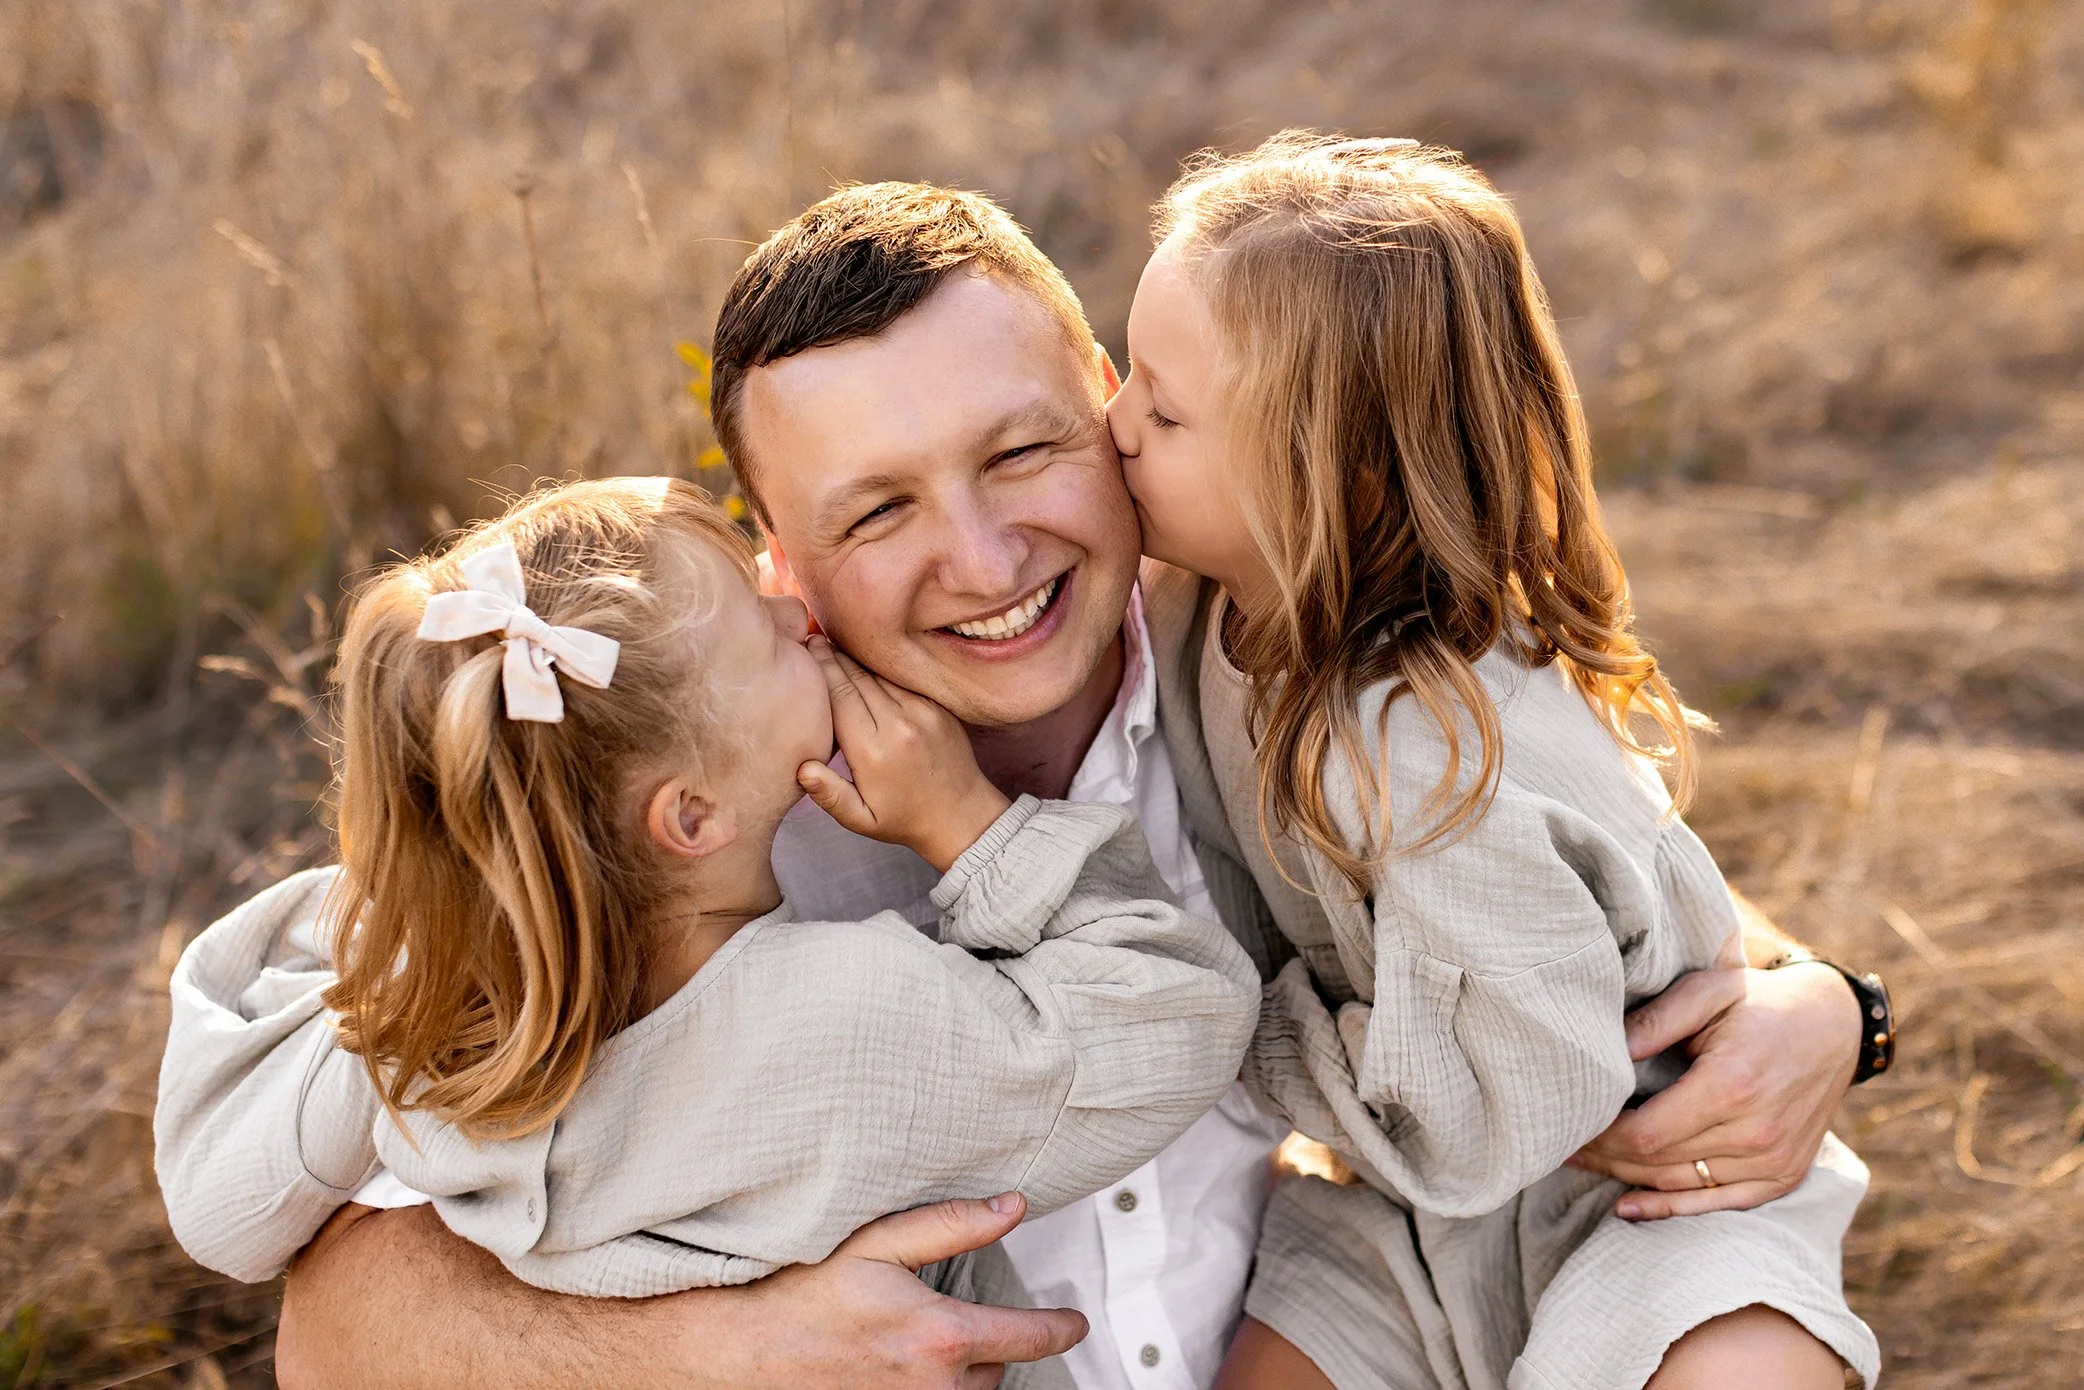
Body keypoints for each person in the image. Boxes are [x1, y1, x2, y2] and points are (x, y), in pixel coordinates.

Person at [153, 179, 1881, 1389]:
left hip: (1373, 1329)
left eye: (1021, 452)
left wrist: (1827, 1003)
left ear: (1119, 413)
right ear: (777, 562)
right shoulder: (679, 803)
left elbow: (1564, 876)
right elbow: (334, 1331)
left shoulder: (1272, 651)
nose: (984, 561)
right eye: (878, 510)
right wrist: (706, 1355)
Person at [1108, 132, 1882, 1388]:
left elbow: (1495, 1116)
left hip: (1630, 1184)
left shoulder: (1423, 747)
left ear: (1338, 480)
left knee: (1730, 1369)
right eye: (1129, 373)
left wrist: (1240, 1031)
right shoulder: (1208, 598)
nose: (1115, 423)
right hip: (1408, 1196)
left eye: (1164, 406)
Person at [160, 474, 1259, 1304]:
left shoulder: (442, 1049)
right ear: (691, 819)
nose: (796, 614)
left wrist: (442, 915)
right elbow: (1179, 1014)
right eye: (762, 627)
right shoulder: (838, 1033)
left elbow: (225, 1208)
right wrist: (966, 827)